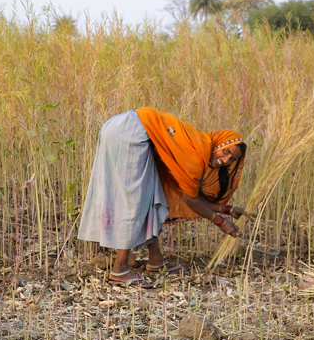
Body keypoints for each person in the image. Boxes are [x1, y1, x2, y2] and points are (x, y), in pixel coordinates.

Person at [77, 106, 249, 286]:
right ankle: (119, 269)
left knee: (151, 195)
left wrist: (227, 209)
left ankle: (156, 260)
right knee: (134, 199)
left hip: (122, 127)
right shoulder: (198, 155)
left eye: (232, 159)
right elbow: (190, 199)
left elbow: (192, 194)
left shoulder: (200, 146)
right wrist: (220, 221)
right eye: (226, 152)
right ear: (219, 144)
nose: (226, 160)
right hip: (131, 132)